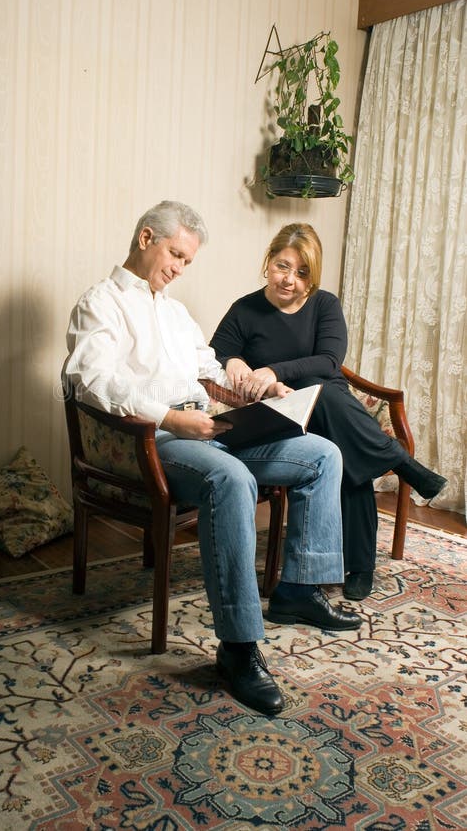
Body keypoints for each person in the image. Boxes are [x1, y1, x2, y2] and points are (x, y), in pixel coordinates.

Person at [63, 201, 361, 718]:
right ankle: (239, 648)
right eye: (175, 254)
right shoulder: (100, 304)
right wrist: (171, 419)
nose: (179, 268)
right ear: (146, 238)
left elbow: (208, 368)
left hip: (208, 427)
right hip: (155, 440)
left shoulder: (176, 313)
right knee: (231, 479)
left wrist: (250, 392)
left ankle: (298, 589)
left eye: (187, 262)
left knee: (321, 455)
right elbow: (92, 382)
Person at [210, 222, 447, 602]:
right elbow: (216, 353)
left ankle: (360, 563)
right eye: (283, 266)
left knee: (336, 428)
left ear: (313, 277)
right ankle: (398, 474)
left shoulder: (325, 305)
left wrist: (274, 369)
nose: (290, 280)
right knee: (343, 437)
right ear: (268, 261)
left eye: (302, 273)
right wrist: (235, 362)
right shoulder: (245, 309)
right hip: (280, 412)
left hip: (329, 405)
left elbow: (328, 360)